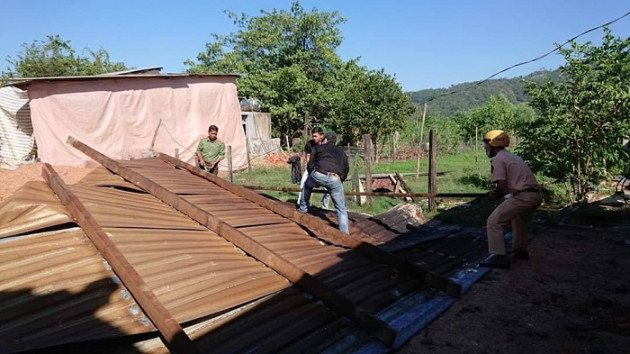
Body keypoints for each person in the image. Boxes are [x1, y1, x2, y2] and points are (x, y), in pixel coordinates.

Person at [480, 130, 543, 269]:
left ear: (492, 144)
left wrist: (495, 194)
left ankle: (498, 257)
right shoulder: (512, 156)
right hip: (535, 195)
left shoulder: (498, 159)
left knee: (494, 221)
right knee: (518, 219)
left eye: (486, 144)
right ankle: (521, 251)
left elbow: (501, 186)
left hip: (523, 196)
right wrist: (499, 193)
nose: (485, 148)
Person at [298, 132, 350, 234]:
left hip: (319, 174)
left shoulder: (318, 148)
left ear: (325, 140)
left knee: (307, 185)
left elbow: (310, 164)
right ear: (335, 142)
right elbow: (346, 168)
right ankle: (345, 234)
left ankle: (303, 208)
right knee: (341, 208)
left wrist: (311, 174)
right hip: (335, 178)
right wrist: (340, 179)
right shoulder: (341, 152)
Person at [297, 127, 331, 208]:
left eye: (316, 136)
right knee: (303, 183)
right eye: (313, 136)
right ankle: (301, 203)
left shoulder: (326, 145)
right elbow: (308, 159)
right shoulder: (310, 144)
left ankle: (324, 207)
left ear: (321, 136)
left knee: (329, 186)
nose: (314, 138)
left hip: (324, 168)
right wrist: (312, 168)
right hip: (312, 167)